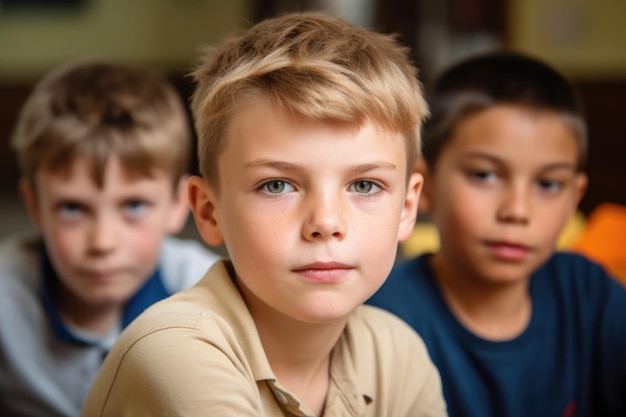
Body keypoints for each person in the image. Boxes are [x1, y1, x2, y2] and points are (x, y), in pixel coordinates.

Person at [81, 12, 448, 417]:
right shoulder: (175, 351)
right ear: (208, 211)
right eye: (276, 185)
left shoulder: (398, 353)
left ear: (407, 208)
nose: (326, 222)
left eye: (364, 185)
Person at [367, 50, 626, 417]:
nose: (517, 211)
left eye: (549, 184)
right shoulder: (381, 317)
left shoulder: (588, 294)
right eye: (484, 175)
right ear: (423, 188)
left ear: (573, 199)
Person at [0, 59, 221, 417]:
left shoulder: (210, 295)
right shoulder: (7, 294)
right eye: (72, 208)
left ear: (179, 204)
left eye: (133, 205)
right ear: (35, 206)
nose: (103, 242)